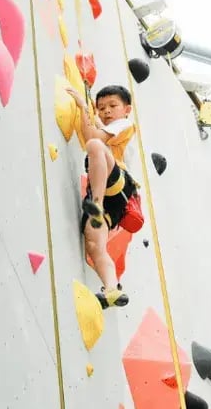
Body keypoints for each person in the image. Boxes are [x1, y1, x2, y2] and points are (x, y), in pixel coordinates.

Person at [66, 84, 138, 309]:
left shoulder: (124, 124)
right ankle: (112, 288)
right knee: (95, 245)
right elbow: (91, 131)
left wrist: (82, 106)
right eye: (101, 107)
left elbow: (93, 138)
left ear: (126, 109)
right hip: (109, 197)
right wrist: (87, 111)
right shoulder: (107, 126)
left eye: (113, 106)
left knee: (95, 145)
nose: (106, 111)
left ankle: (95, 204)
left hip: (117, 186)